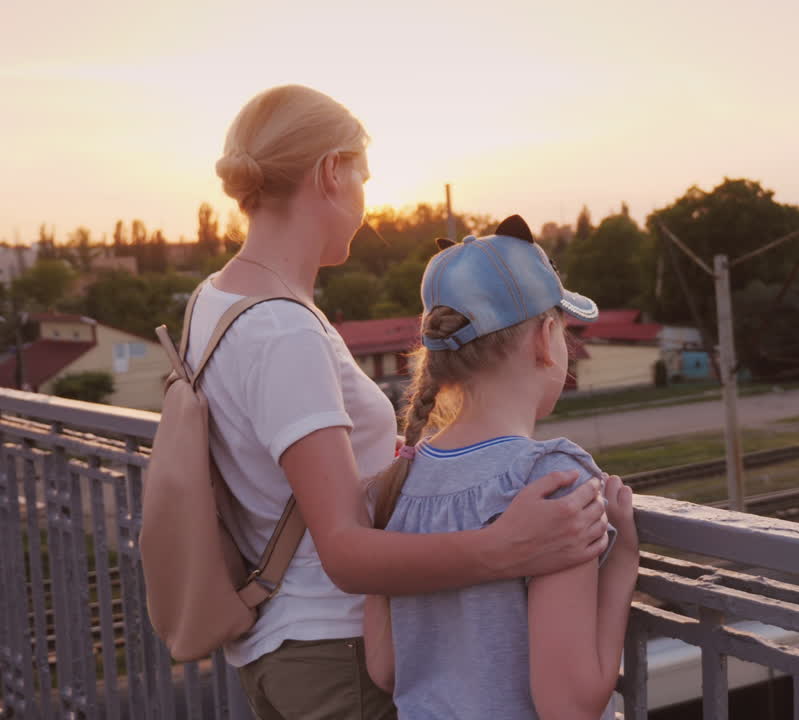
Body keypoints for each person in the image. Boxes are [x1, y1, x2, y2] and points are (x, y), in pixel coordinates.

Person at [194, 84, 612, 719]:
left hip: (283, 645)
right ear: (331, 173)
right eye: (362, 176)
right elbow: (344, 551)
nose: (365, 203)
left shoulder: (217, 302)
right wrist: (506, 547)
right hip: (333, 653)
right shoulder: (282, 330)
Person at [361, 215, 639, 720]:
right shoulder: (552, 480)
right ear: (544, 337)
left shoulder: (398, 482)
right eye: (565, 332)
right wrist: (622, 567)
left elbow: (385, 669)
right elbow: (570, 707)